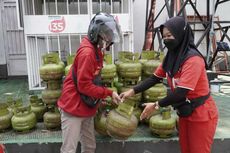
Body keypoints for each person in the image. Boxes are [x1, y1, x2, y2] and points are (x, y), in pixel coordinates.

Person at [120, 16, 218, 153]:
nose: (166, 39)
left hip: (202, 114)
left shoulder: (193, 59)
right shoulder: (171, 57)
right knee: (186, 149)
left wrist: (155, 105)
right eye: (164, 36)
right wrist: (132, 91)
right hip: (185, 112)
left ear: (180, 34)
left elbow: (180, 92)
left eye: (169, 35)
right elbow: (154, 78)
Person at [58, 12, 122, 153]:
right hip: (73, 108)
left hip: (86, 107)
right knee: (69, 149)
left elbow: (94, 80)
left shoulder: (97, 50)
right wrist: (109, 93)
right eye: (106, 35)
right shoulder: (88, 53)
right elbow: (84, 85)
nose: (109, 39)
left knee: (89, 147)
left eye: (110, 35)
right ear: (95, 33)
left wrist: (98, 99)